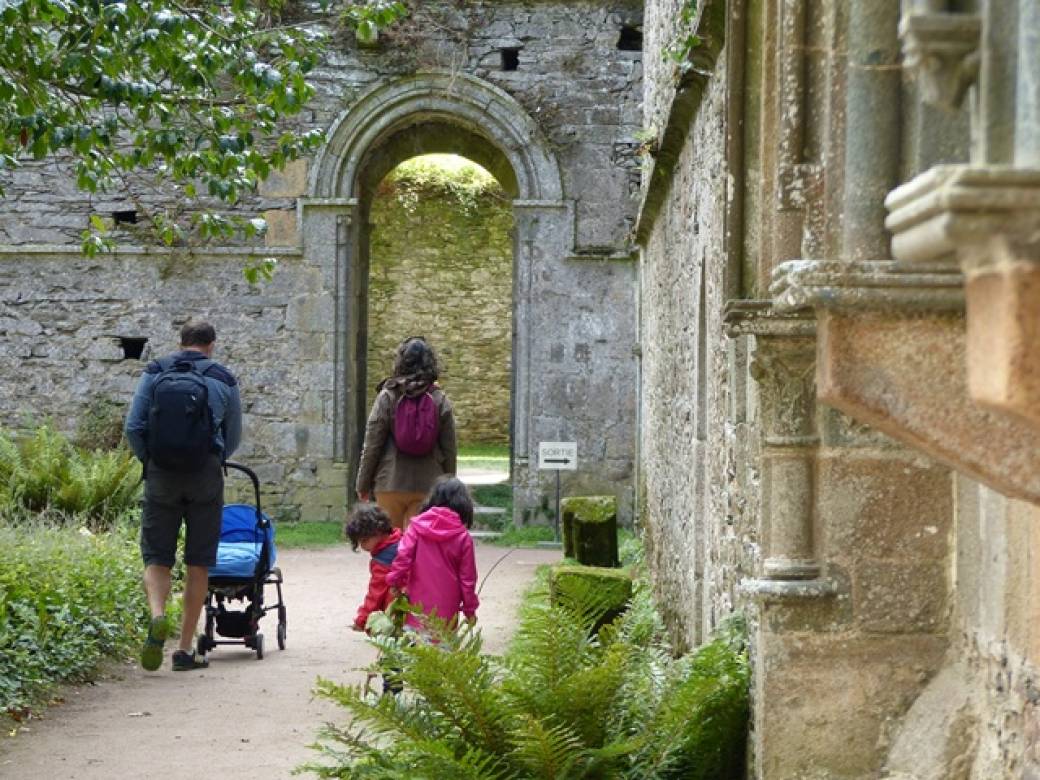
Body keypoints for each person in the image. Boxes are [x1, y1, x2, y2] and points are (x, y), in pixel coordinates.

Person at [124, 320, 242, 672]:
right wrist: (214, 458)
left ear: (181, 342)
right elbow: (233, 435)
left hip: (162, 474)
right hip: (205, 474)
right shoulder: (223, 378)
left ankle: (158, 615)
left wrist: (150, 460)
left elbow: (134, 426)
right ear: (212, 345)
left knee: (156, 557)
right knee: (198, 562)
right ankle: (185, 650)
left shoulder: (156, 372)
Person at [355, 336, 457, 529]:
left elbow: (372, 445)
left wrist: (362, 484)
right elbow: (449, 448)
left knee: (391, 543)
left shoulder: (388, 396)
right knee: (419, 544)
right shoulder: (439, 398)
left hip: (390, 483)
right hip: (428, 484)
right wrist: (450, 486)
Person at [386, 476, 479, 632]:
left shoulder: (415, 528)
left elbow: (403, 557)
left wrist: (395, 581)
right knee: (442, 641)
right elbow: (468, 580)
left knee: (416, 638)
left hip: (417, 601)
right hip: (448, 605)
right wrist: (470, 610)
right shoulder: (463, 537)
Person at [344, 502, 402, 633]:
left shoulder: (382, 560)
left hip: (399, 610)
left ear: (379, 531)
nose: (362, 546)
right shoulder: (402, 540)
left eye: (364, 540)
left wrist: (363, 620)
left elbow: (376, 593)